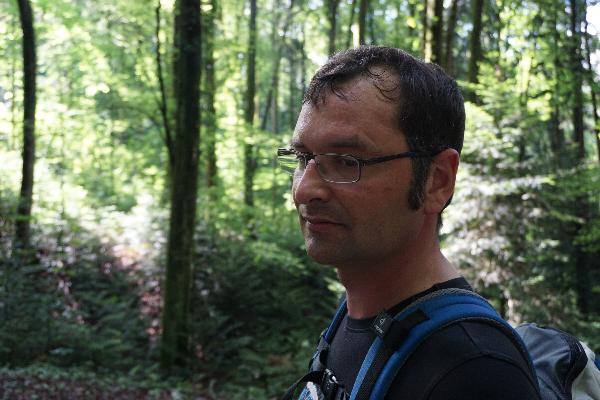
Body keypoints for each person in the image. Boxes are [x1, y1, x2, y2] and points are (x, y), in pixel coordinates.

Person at [278, 46, 541, 399]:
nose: (303, 190)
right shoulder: (359, 311)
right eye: (302, 157)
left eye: (347, 161)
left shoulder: (476, 371)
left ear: (437, 181)